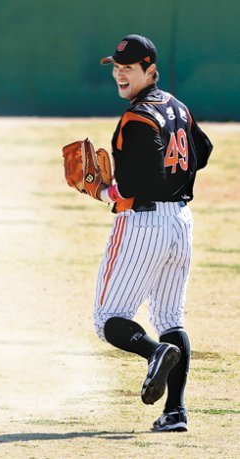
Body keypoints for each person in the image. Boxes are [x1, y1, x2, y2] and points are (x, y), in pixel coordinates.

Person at [93, 34, 213, 432]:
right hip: (180, 222)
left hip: (144, 223)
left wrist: (104, 191)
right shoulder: (176, 106)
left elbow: (138, 180)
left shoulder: (137, 117)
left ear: (150, 70)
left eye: (130, 68)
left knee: (110, 318)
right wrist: (177, 178)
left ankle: (154, 353)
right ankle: (175, 412)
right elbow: (204, 150)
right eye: (117, 67)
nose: (121, 74)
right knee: (170, 317)